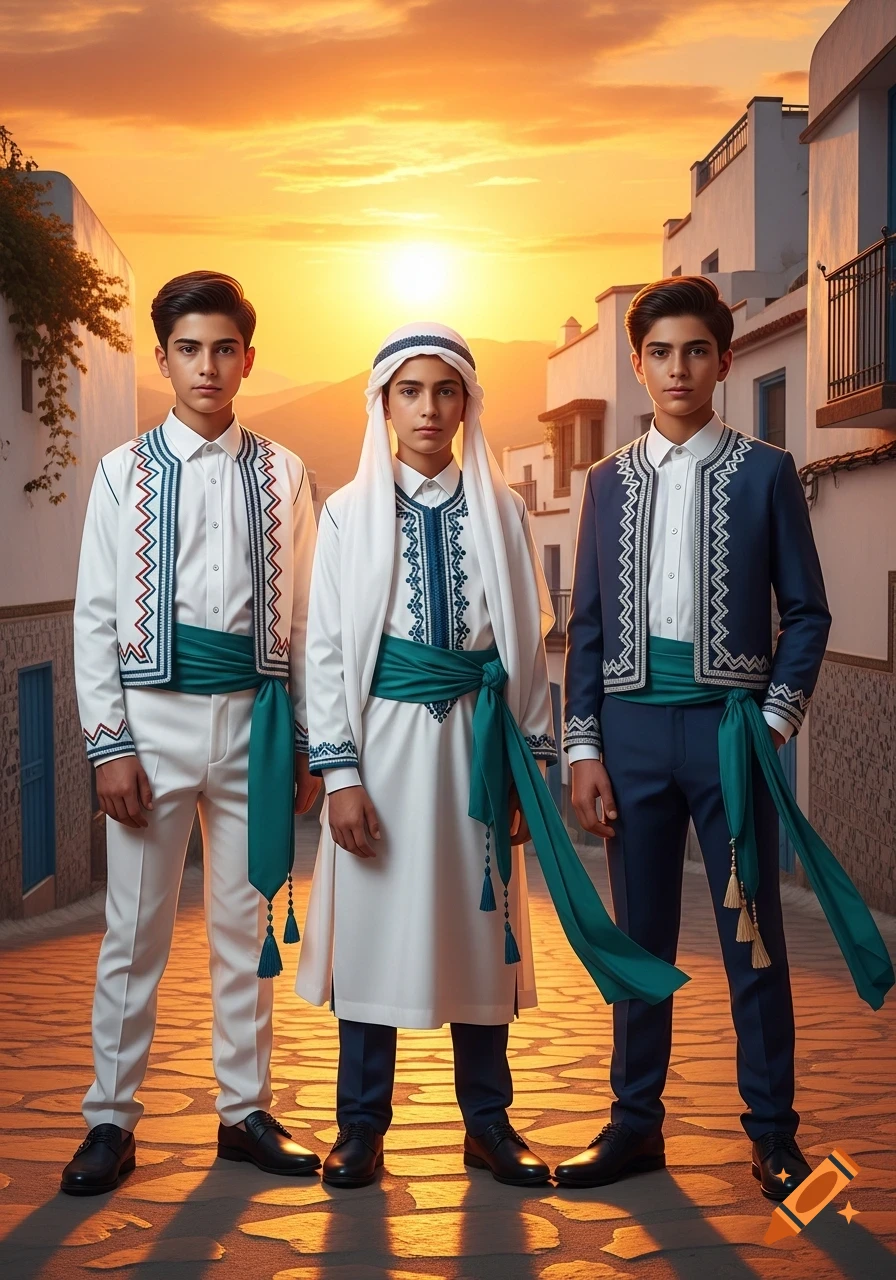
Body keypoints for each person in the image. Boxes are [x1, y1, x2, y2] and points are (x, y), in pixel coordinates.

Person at [295, 322, 688, 1190]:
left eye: (446, 391)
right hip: (382, 750)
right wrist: (341, 774)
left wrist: (528, 768)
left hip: (479, 746)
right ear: (383, 404)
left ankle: (488, 1123)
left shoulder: (501, 509)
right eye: (410, 391)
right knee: (372, 933)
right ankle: (360, 1126)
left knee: (485, 933)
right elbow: (324, 650)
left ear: (467, 402)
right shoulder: (348, 511)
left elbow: (524, 644)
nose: (429, 409)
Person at [556, 276, 893, 1197]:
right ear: (638, 364)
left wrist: (773, 723)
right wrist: (582, 748)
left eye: (696, 351)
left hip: (730, 735)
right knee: (640, 939)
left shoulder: (767, 472)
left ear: (725, 361)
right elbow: (586, 626)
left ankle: (773, 1135)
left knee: (755, 939)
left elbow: (809, 614)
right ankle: (634, 1125)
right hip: (629, 734)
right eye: (661, 353)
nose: (679, 369)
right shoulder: (604, 482)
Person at [63, 270, 322, 1195]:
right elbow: (96, 615)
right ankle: (110, 1119)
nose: (207, 366)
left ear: (247, 359)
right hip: (152, 725)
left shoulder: (287, 473)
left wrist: (308, 742)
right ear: (163, 358)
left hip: (257, 724)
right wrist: (110, 745)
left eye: (223, 349)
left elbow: (308, 620)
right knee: (133, 931)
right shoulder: (122, 472)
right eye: (188, 349)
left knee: (245, 928)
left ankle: (245, 1112)